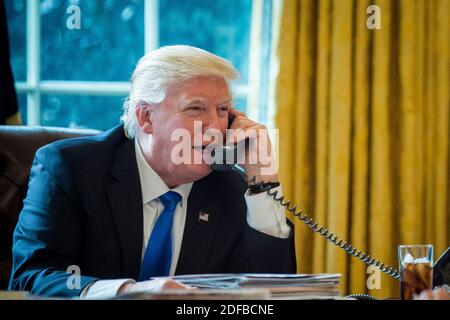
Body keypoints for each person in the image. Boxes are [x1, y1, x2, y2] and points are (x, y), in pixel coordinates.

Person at [9, 45, 295, 298]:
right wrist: (128, 292)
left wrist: (262, 182)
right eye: (195, 108)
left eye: (223, 110)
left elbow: (270, 291)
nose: (215, 128)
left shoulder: (229, 186)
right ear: (146, 118)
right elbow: (30, 278)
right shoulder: (69, 169)